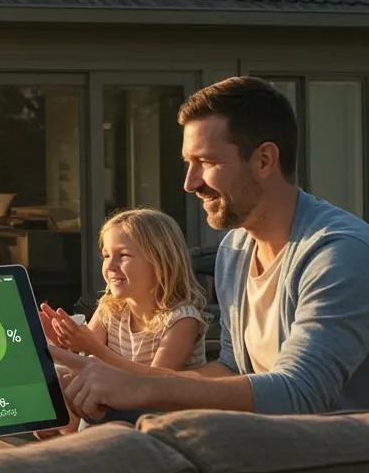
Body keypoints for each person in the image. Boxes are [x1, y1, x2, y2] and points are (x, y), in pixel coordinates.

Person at [54, 77, 369, 419]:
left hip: (336, 460)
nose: (190, 183)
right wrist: (113, 381)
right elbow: (232, 371)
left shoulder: (339, 254)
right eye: (188, 163)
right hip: (263, 446)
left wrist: (142, 387)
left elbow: (301, 394)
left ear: (264, 160)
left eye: (206, 162)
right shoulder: (236, 249)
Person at [41, 207, 206, 430]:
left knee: (85, 392)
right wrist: (66, 345)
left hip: (161, 417)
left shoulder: (182, 319)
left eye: (123, 255)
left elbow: (157, 383)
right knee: (58, 378)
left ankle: (75, 447)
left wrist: (93, 348)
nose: (110, 266)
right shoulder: (110, 309)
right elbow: (85, 363)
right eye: (106, 256)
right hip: (118, 404)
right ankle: (64, 440)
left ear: (160, 261)